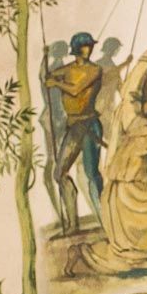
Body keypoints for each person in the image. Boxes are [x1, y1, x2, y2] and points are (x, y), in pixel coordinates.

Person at [64, 31, 147, 276]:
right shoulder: (145, 65)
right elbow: (129, 98)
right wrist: (142, 125)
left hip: (145, 132)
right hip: (136, 128)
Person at [42, 31, 105, 234]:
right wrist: (45, 59)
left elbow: (76, 89)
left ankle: (107, 222)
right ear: (77, 49)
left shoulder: (95, 70)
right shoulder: (67, 69)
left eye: (90, 46)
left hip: (89, 125)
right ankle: (71, 225)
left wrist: (55, 83)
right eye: (85, 46)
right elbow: (47, 78)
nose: (89, 49)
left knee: (92, 175)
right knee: (60, 173)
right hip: (74, 127)